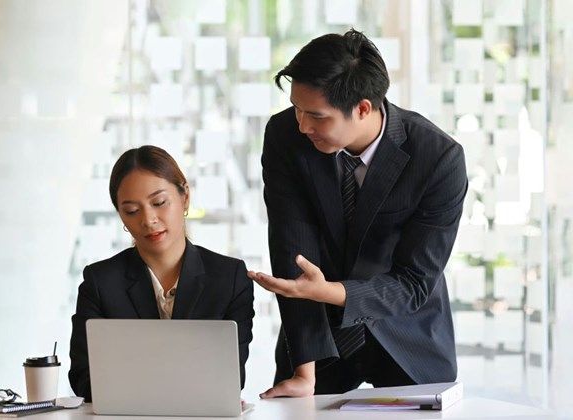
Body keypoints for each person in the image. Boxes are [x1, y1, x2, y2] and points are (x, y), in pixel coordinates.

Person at [247, 29, 468, 397]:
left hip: (407, 337)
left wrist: (331, 291)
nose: (303, 125)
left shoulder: (438, 158)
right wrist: (305, 372)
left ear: (363, 107)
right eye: (297, 109)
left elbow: (414, 282)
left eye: (316, 115)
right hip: (316, 342)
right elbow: (293, 253)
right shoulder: (286, 135)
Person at [68, 145, 254, 401]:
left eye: (159, 203)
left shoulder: (230, 279)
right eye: (132, 211)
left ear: (184, 197)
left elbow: (232, 379)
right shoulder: (100, 282)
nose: (148, 219)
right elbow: (83, 377)